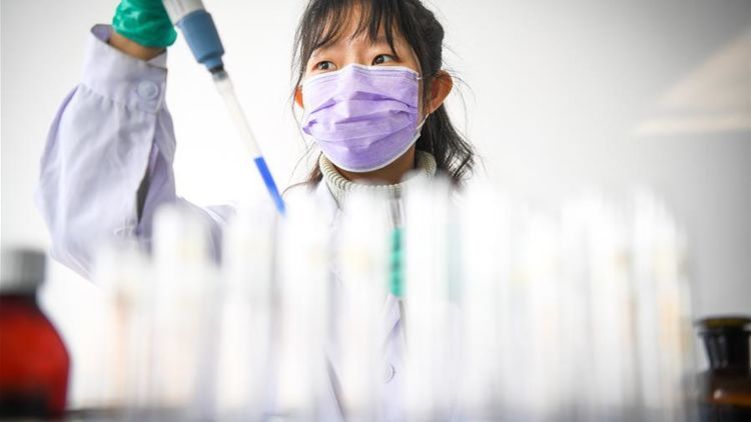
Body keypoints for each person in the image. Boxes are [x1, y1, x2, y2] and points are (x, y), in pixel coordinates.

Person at [35, 0, 475, 418]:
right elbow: (103, 235)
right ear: (304, 100)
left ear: (432, 92)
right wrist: (133, 50)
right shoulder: (246, 243)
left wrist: (474, 289)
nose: (350, 82)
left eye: (381, 58)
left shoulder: (485, 253)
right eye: (326, 65)